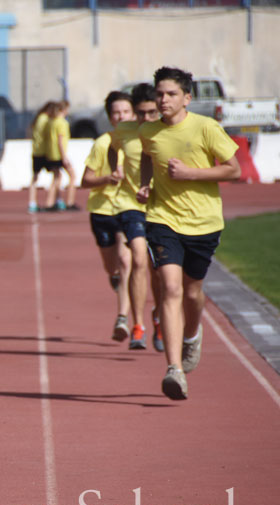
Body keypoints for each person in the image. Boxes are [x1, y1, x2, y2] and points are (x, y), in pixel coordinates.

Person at [137, 67, 240, 400]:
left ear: (186, 98)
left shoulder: (206, 127)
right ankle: (174, 370)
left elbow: (233, 169)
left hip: (204, 223)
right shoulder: (148, 131)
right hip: (162, 219)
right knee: (169, 288)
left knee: (193, 293)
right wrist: (144, 184)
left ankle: (192, 336)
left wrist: (190, 173)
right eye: (159, 93)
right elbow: (146, 157)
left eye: (170, 94)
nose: (163, 99)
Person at [108, 83, 164, 351]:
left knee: (160, 271)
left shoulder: (167, 130)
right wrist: (114, 169)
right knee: (139, 258)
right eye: (141, 113)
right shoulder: (124, 131)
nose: (146, 119)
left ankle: (159, 318)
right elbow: (111, 147)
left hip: (164, 207)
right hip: (131, 203)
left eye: (151, 113)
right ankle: (137, 324)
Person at [79, 91, 133, 342]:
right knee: (112, 266)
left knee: (125, 260)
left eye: (125, 111)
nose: (121, 116)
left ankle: (123, 317)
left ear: (133, 114)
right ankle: (114, 278)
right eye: (116, 113)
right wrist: (107, 178)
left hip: (128, 210)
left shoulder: (141, 143)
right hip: (102, 211)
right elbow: (85, 181)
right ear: (110, 117)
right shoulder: (102, 144)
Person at [44, 100, 78, 211]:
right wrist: (64, 156)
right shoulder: (62, 123)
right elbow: (60, 140)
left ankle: (50, 202)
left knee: (56, 178)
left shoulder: (51, 122)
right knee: (73, 176)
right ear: (65, 110)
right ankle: (70, 202)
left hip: (52, 153)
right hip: (59, 154)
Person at [26, 101, 56, 212]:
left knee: (35, 177)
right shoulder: (46, 120)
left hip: (36, 151)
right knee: (57, 175)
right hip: (44, 152)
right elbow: (48, 136)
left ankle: (32, 202)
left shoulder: (38, 118)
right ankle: (50, 201)